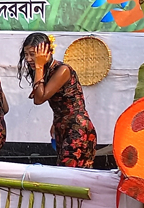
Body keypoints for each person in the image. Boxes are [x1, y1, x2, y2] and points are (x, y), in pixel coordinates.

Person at [18, 33, 97, 168]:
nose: (29, 59)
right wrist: (56, 123)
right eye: (26, 54)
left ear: (47, 53)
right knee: (65, 174)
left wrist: (39, 67)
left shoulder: (63, 70)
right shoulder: (47, 71)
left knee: (69, 175)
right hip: (63, 128)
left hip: (77, 128)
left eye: (33, 54)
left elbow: (39, 98)